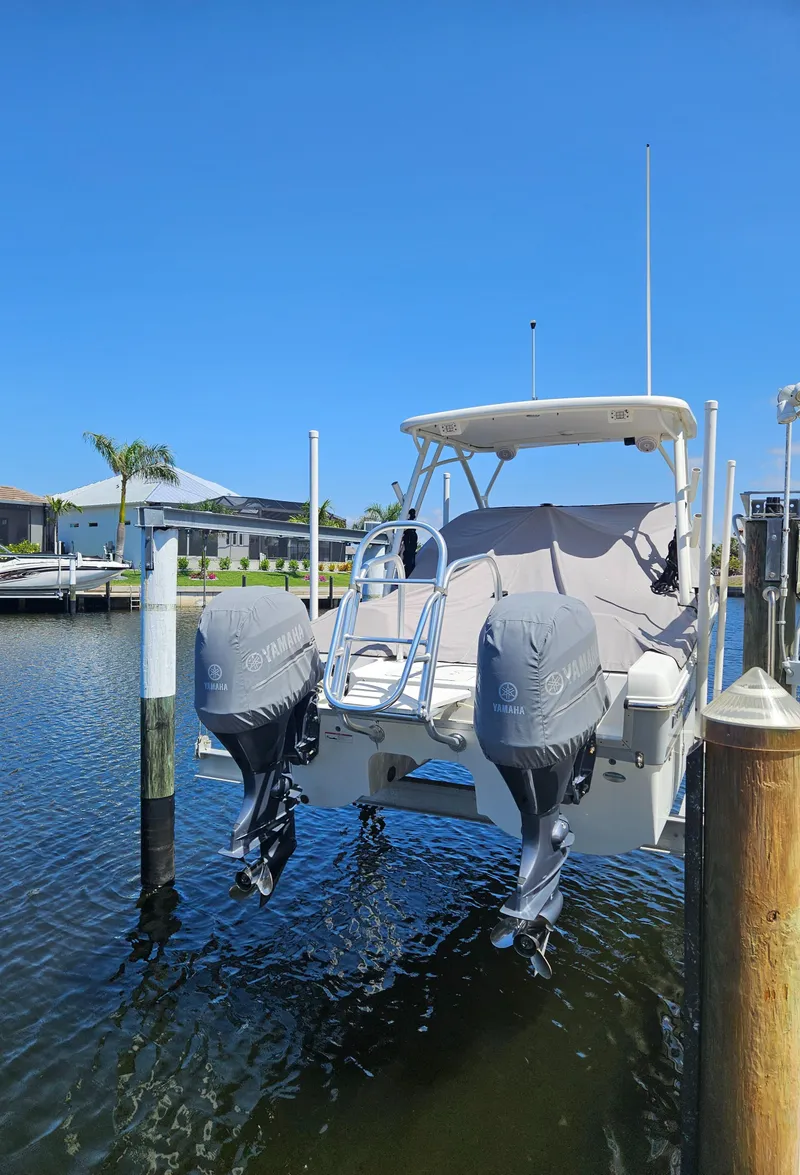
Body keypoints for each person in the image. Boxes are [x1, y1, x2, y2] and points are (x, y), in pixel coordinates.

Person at [399, 509, 418, 579]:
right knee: (410, 564)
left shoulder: (408, 533)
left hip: (408, 552)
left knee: (408, 564)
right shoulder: (413, 532)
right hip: (410, 552)